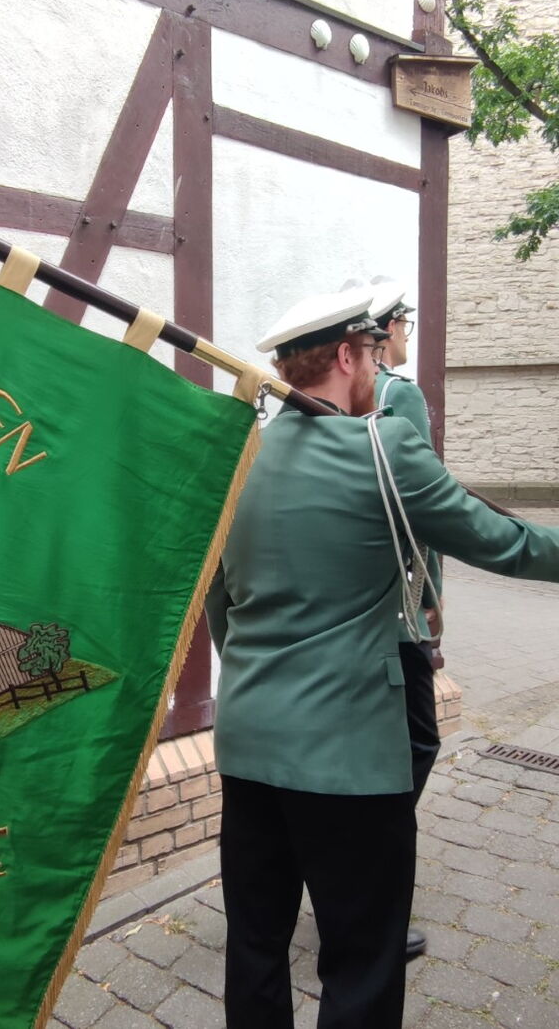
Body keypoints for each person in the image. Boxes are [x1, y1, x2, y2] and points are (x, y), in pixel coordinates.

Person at [206, 284, 559, 1029]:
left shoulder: (236, 456)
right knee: (362, 959)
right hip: (349, 755)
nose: (378, 368)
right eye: (373, 353)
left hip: (248, 739)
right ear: (344, 356)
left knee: (256, 944)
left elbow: (219, 603)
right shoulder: (383, 445)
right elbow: (505, 544)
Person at [370, 275, 442, 960]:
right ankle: (366, 870)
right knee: (418, 745)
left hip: (349, 612)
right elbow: (422, 505)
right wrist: (429, 601)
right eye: (405, 326)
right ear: (388, 329)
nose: (407, 337)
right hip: (397, 610)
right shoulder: (400, 395)